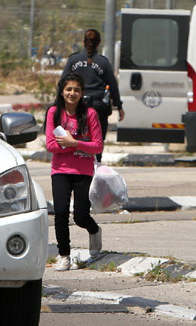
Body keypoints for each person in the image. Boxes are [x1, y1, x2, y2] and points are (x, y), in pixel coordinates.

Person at [45, 73, 104, 271]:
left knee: (80, 216)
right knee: (60, 213)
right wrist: (76, 146)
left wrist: (74, 143)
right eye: (68, 89)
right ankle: (64, 255)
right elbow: (51, 145)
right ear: (62, 91)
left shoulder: (90, 114)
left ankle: (94, 230)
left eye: (76, 90)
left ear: (82, 93)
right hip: (60, 170)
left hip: (84, 171)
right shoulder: (54, 112)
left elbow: (97, 146)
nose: (72, 93)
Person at [61, 29, 125, 163]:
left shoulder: (74, 60)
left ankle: (75, 164)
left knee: (74, 136)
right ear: (99, 43)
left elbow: (62, 83)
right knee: (98, 140)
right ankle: (96, 165)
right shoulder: (103, 62)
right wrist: (119, 106)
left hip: (75, 106)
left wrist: (59, 104)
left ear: (83, 42)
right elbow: (113, 86)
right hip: (98, 108)